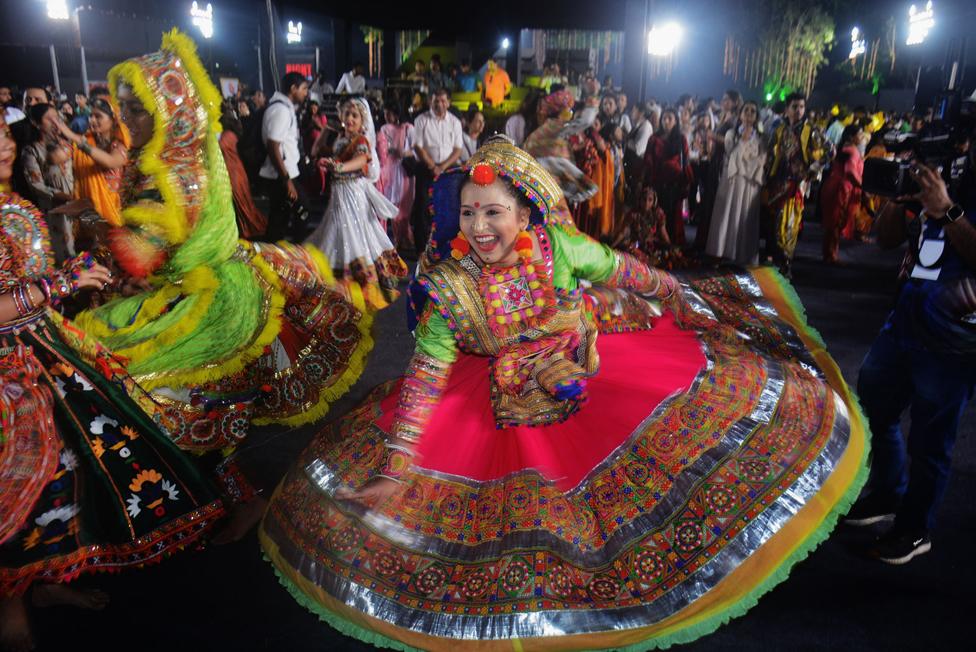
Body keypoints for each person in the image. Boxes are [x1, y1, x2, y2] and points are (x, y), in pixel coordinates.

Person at [259, 137, 869, 650]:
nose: (479, 227)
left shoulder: (560, 250)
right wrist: (397, 466)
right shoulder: (447, 286)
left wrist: (679, 295)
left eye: (493, 212)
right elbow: (426, 372)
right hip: (489, 384)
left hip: (576, 360)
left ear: (525, 216)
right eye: (468, 213)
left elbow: (625, 272)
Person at [76, 30, 374, 542]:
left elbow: (144, 255)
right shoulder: (181, 152)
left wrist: (95, 229)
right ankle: (226, 500)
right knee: (204, 407)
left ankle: (201, 506)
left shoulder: (174, 169)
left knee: (144, 390)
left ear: (169, 109)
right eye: (124, 109)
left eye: (139, 110)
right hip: (212, 288)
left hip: (211, 303)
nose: (130, 121)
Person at [0, 110, 223, 652]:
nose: (2, 145)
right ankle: (9, 607)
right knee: (15, 483)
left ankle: (44, 584)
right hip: (8, 368)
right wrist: (57, 284)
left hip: (41, 343)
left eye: (3, 133)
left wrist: (77, 273)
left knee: (67, 474)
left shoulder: (13, 203)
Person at [845, 154, 976, 564]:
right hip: (905, 317)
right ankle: (888, 490)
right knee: (872, 402)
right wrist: (898, 200)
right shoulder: (946, 171)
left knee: (931, 437)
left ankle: (914, 528)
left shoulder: (953, 193)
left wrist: (948, 210)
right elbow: (885, 239)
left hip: (954, 336)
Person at [305, 98, 408, 309]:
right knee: (340, 232)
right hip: (339, 195)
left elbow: (362, 160)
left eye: (355, 115)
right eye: (347, 114)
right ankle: (334, 282)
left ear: (363, 121)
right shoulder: (340, 138)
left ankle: (354, 283)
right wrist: (326, 130)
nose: (350, 119)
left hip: (353, 194)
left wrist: (338, 166)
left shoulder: (361, 140)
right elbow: (316, 151)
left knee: (351, 234)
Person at [763, 92, 825, 278]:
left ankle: (786, 263)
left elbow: (829, 150)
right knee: (774, 224)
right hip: (777, 182)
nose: (798, 111)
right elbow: (771, 154)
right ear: (787, 109)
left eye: (801, 107)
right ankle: (775, 260)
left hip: (796, 184)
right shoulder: (780, 130)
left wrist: (812, 169)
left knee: (789, 224)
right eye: (795, 107)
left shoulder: (810, 130)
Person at [706, 101, 767, 265]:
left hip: (750, 183)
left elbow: (761, 160)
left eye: (752, 111)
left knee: (745, 216)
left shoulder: (761, 138)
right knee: (727, 214)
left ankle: (744, 256)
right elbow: (731, 155)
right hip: (732, 180)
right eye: (746, 110)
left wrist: (748, 165)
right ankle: (720, 252)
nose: (748, 113)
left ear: (756, 117)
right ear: (740, 114)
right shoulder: (731, 134)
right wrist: (743, 143)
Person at [523, 89, 599, 214]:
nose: (570, 114)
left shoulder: (544, 129)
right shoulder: (556, 126)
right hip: (548, 191)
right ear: (562, 112)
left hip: (540, 189)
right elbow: (585, 122)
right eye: (568, 110)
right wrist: (592, 101)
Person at [56, 97, 129, 226]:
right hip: (88, 212)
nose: (92, 120)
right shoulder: (86, 139)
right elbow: (60, 156)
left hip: (114, 212)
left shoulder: (119, 145)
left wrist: (78, 141)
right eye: (90, 116)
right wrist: (57, 141)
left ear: (113, 119)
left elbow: (110, 161)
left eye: (98, 116)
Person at [412, 87, 463, 252]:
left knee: (449, 206)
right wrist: (433, 166)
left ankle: (446, 247)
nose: (439, 104)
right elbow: (418, 146)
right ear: (430, 102)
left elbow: (457, 149)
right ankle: (422, 249)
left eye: (442, 101)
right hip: (426, 169)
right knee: (423, 207)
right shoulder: (421, 119)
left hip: (448, 169)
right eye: (436, 101)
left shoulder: (455, 122)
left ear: (448, 103)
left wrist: (442, 167)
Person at [260, 71, 308, 241]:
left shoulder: (285, 108)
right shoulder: (281, 110)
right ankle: (286, 256)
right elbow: (273, 146)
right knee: (297, 214)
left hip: (286, 173)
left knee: (283, 218)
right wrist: (286, 180)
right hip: (281, 175)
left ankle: (280, 257)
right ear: (293, 88)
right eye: (303, 88)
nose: (306, 93)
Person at [643, 108, 693, 247]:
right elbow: (648, 160)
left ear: (675, 121)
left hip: (674, 184)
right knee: (656, 214)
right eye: (664, 118)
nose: (666, 121)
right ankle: (655, 245)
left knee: (672, 215)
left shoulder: (681, 139)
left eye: (670, 118)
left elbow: (686, 161)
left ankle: (672, 246)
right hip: (657, 182)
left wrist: (685, 181)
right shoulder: (653, 138)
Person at [819, 124, 866, 263]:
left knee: (831, 223)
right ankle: (831, 255)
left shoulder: (842, 147)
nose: (862, 137)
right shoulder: (852, 150)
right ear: (852, 137)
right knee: (836, 223)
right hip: (841, 189)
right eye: (860, 134)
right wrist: (863, 186)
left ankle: (828, 253)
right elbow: (850, 171)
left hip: (832, 185)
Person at [219, 107, 267, 239]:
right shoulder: (233, 135)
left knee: (241, 204)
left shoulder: (226, 136)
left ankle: (249, 228)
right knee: (244, 203)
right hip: (237, 172)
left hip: (234, 173)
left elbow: (219, 149)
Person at [376, 101, 416, 250]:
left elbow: (417, 149)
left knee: (404, 204)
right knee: (391, 202)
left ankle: (405, 237)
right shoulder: (384, 128)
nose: (387, 116)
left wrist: (404, 153)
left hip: (403, 169)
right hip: (388, 169)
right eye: (385, 113)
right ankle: (399, 239)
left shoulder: (408, 128)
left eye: (390, 113)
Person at [612, 185, 675, 267]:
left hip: (652, 246)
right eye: (644, 199)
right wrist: (612, 246)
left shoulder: (658, 213)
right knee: (627, 252)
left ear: (654, 202)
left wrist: (670, 248)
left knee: (666, 255)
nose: (646, 203)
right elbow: (623, 232)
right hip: (637, 245)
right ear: (640, 200)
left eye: (650, 200)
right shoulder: (633, 214)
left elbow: (663, 233)